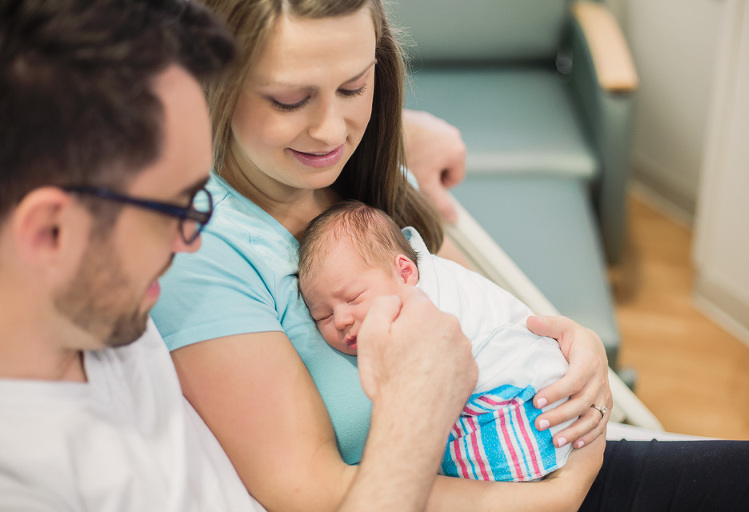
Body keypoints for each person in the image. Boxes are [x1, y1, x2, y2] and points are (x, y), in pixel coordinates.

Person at [0, 1, 480, 511]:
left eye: (353, 86)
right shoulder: (28, 476)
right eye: (171, 208)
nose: (192, 237)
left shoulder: (106, 319)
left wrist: (399, 128)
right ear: (50, 231)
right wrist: (417, 407)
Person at [152, 0, 612, 510]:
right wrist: (558, 498)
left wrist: (570, 347)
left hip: (541, 448)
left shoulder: (360, 174)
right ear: (215, 84)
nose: (331, 131)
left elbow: (480, 308)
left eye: (353, 87)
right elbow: (311, 489)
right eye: (288, 99)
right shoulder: (197, 252)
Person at [297, 200, 594, 482]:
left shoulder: (428, 304)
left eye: (352, 298)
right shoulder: (391, 284)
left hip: (529, 403)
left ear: (405, 271)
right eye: (322, 316)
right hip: (559, 428)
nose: (340, 320)